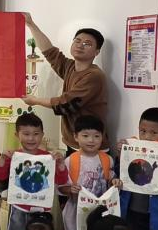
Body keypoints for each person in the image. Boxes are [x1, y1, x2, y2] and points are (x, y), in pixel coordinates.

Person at [22, 13, 109, 153]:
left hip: (92, 147)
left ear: (97, 52)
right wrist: (31, 24)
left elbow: (64, 103)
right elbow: (49, 52)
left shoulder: (94, 76)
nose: (80, 45)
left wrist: (35, 100)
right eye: (77, 41)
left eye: (87, 44)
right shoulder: (70, 67)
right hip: (73, 142)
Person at [59, 114, 115, 230]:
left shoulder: (107, 159)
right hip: (74, 216)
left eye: (96, 136)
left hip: (98, 215)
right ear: (75, 137)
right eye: (85, 136)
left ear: (102, 137)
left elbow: (110, 181)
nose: (91, 140)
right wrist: (70, 189)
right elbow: (61, 187)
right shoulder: (71, 160)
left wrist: (115, 182)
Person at [12, 111, 69, 230]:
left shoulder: (49, 157)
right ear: (17, 135)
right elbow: (2, 177)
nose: (31, 138)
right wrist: (3, 160)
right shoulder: (14, 156)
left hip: (41, 207)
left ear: (42, 135)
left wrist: (61, 164)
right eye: (26, 134)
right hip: (19, 206)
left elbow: (61, 180)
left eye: (36, 134)